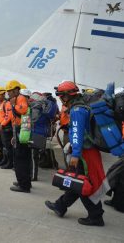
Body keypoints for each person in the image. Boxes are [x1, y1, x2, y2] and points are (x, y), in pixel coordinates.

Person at [45, 81, 107, 226]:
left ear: (67, 96)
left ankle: (96, 216)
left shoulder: (77, 110)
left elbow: (76, 134)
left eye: (61, 95)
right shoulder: (81, 107)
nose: (60, 98)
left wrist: (75, 154)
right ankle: (61, 206)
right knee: (77, 180)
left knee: (84, 183)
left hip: (85, 152)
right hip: (87, 150)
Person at [6, 80, 31, 193]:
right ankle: (24, 181)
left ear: (16, 90)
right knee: (23, 158)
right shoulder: (18, 98)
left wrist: (12, 105)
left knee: (20, 159)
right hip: (19, 130)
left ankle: (23, 185)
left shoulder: (20, 98)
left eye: (9, 91)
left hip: (20, 130)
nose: (8, 94)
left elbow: (23, 109)